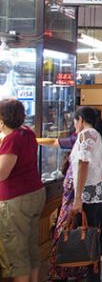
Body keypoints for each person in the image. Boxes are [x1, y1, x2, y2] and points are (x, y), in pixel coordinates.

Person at [48, 106, 102, 282]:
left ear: (80, 120)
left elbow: (82, 164)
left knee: (79, 239)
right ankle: (91, 275)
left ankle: (79, 274)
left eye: (75, 121)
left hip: (84, 198)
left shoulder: (86, 135)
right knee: (92, 239)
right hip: (98, 197)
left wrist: (78, 198)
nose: (74, 125)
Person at [0, 99, 46, 282]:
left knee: (16, 251)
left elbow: (2, 173)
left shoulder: (10, 140)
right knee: (30, 246)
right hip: (35, 193)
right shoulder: (26, 132)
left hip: (16, 199)